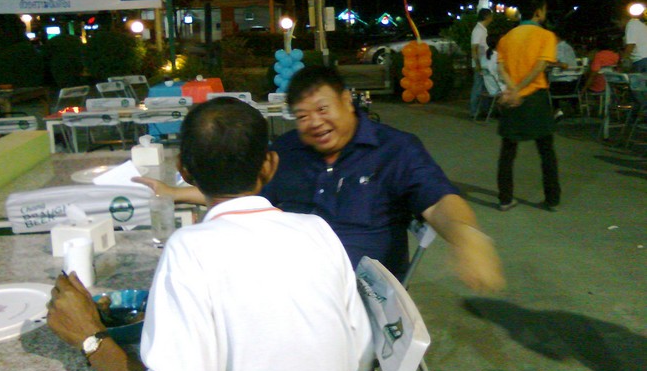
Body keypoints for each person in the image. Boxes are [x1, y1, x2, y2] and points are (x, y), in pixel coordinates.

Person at [47, 98, 374, 371]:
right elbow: (362, 362)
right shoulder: (317, 230)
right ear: (270, 165)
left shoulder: (189, 249)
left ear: (183, 170)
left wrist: (89, 335)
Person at [137, 67, 505, 293]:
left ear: (347, 101)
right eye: (302, 115)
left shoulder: (395, 150)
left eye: (322, 109)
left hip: (362, 292)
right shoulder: (286, 151)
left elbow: (438, 202)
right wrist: (173, 192)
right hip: (285, 280)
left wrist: (466, 236)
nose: (314, 122)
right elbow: (239, 191)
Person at [496, 0, 561, 212]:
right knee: (546, 151)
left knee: (508, 151)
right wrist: (521, 89)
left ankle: (505, 199)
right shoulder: (546, 36)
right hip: (535, 98)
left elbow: (501, 68)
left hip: (512, 99)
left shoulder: (506, 38)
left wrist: (513, 89)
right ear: (538, 12)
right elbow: (539, 67)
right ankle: (551, 198)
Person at [470, 8, 494, 118]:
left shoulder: (482, 29)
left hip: (483, 63)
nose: (492, 18)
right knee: (478, 88)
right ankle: (474, 112)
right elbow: (474, 49)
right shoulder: (478, 30)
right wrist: (477, 65)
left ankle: (484, 111)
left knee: (484, 88)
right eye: (490, 16)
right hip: (480, 64)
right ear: (486, 16)